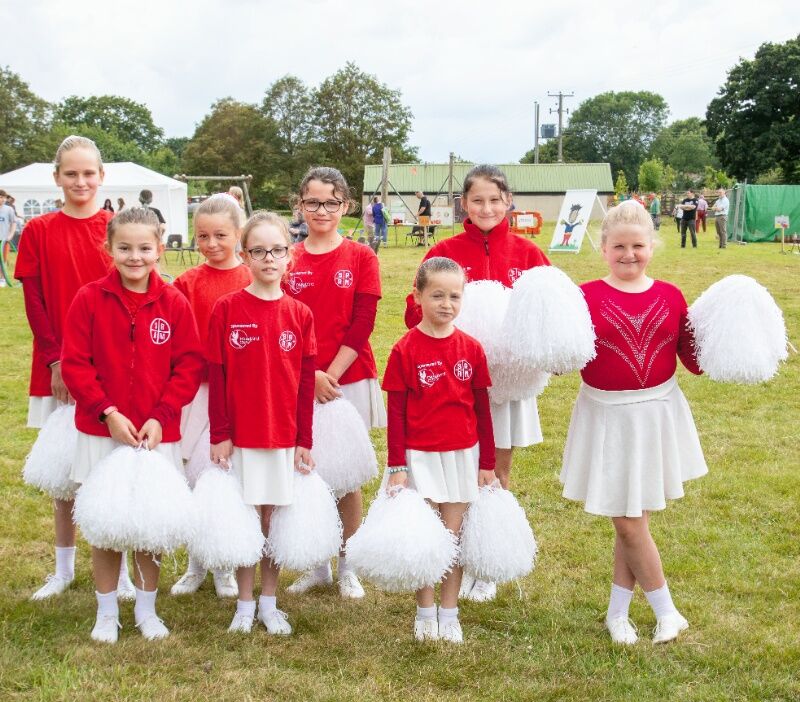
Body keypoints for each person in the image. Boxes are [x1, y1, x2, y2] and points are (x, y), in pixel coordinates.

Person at [560, 200, 706, 646]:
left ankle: (620, 614)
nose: (629, 255)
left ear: (652, 247)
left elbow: (694, 359)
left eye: (638, 246)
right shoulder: (583, 296)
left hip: (656, 414)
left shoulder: (671, 295)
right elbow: (563, 357)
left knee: (632, 519)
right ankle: (666, 612)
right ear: (603, 248)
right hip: (606, 416)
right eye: (619, 246)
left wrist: (737, 335)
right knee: (628, 521)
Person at [404, 164, 549, 603]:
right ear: (463, 203)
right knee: (457, 477)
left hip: (506, 386)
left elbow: (550, 318)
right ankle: (453, 559)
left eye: (495, 200)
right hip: (452, 386)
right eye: (477, 200)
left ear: (509, 202)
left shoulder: (528, 254)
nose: (487, 208)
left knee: (495, 475)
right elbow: (415, 312)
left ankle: (486, 564)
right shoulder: (444, 252)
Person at [60, 207, 204, 643]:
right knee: (106, 526)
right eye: (124, 248)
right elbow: (75, 364)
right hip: (102, 430)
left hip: (155, 434)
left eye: (144, 248)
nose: (135, 257)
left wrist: (162, 415)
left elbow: (189, 366)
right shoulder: (88, 298)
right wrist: (107, 412)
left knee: (149, 525)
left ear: (160, 248)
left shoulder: (174, 302)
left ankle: (146, 609)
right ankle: (106, 612)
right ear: (109, 248)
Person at [14, 135, 136, 601]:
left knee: (115, 467)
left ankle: (121, 573)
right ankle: (63, 568)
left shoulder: (116, 227)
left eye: (89, 173)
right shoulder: (39, 230)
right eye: (71, 173)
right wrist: (56, 360)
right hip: (60, 367)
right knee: (65, 472)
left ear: (102, 176)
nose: (80, 181)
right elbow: (35, 301)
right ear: (57, 177)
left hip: (113, 366)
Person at [208, 211, 316, 636]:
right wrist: (220, 434)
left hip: (283, 437)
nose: (269, 258)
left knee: (273, 521)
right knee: (246, 522)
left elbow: (306, 384)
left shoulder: (300, 314)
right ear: (244, 256)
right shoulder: (226, 309)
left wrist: (304, 439)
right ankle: (244, 602)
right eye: (259, 251)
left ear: (290, 256)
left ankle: (269, 602)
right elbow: (217, 376)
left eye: (277, 250)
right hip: (242, 437)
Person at [284, 166, 385, 599]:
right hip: (297, 378)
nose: (321, 210)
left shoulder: (361, 257)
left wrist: (331, 375)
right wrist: (310, 375)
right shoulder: (287, 256)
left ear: (346, 206)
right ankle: (317, 566)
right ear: (299, 205)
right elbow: (280, 321)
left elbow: (362, 323)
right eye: (312, 202)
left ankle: (348, 566)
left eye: (330, 202)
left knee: (345, 476)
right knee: (306, 473)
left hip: (348, 379)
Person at [384, 256, 496, 644]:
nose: (446, 304)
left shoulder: (471, 348)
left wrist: (487, 462)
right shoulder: (404, 350)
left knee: (453, 537)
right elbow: (396, 413)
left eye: (454, 296)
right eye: (437, 295)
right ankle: (425, 612)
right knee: (426, 540)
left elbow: (482, 410)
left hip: (462, 456)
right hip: (419, 457)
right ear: (417, 296)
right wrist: (397, 464)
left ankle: (449, 613)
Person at [170, 194, 253, 599]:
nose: (211, 243)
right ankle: (196, 562)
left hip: (239, 392)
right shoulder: (187, 282)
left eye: (220, 235)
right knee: (194, 473)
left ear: (238, 233)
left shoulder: (253, 277)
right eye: (202, 236)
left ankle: (224, 564)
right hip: (196, 392)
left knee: (228, 475)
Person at [0, 189, 17, 270]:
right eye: (0, 197)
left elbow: (13, 223)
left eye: (4, 197)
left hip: (4, 240)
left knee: (3, 261)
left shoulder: (9, 209)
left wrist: (10, 235)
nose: (3, 199)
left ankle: (2, 276)